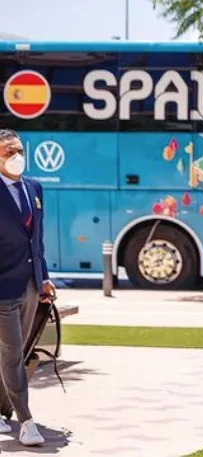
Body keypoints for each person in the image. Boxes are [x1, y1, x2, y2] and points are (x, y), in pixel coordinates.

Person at [0, 129, 50, 446]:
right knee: (13, 354)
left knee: (14, 353)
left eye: (18, 149)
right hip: (2, 287)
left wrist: (44, 279)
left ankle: (2, 412)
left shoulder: (34, 188)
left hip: (30, 285)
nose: (15, 156)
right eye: (8, 151)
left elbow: (37, 241)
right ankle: (26, 421)